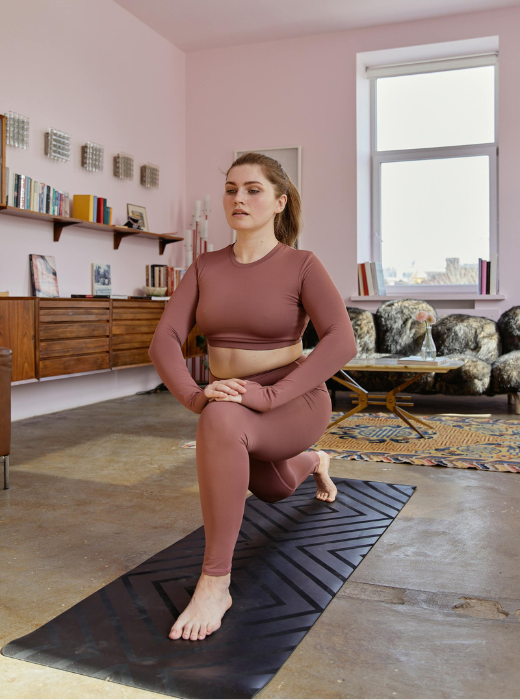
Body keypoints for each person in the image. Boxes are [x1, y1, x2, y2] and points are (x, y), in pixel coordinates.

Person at [148, 152, 358, 643]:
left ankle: (215, 583)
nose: (238, 198)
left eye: (253, 189)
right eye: (230, 189)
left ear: (280, 202)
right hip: (238, 405)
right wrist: (195, 394)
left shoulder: (302, 264)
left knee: (221, 422)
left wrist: (271, 395)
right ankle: (314, 462)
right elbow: (164, 341)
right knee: (274, 489)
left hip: (294, 401)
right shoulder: (205, 267)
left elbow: (341, 340)